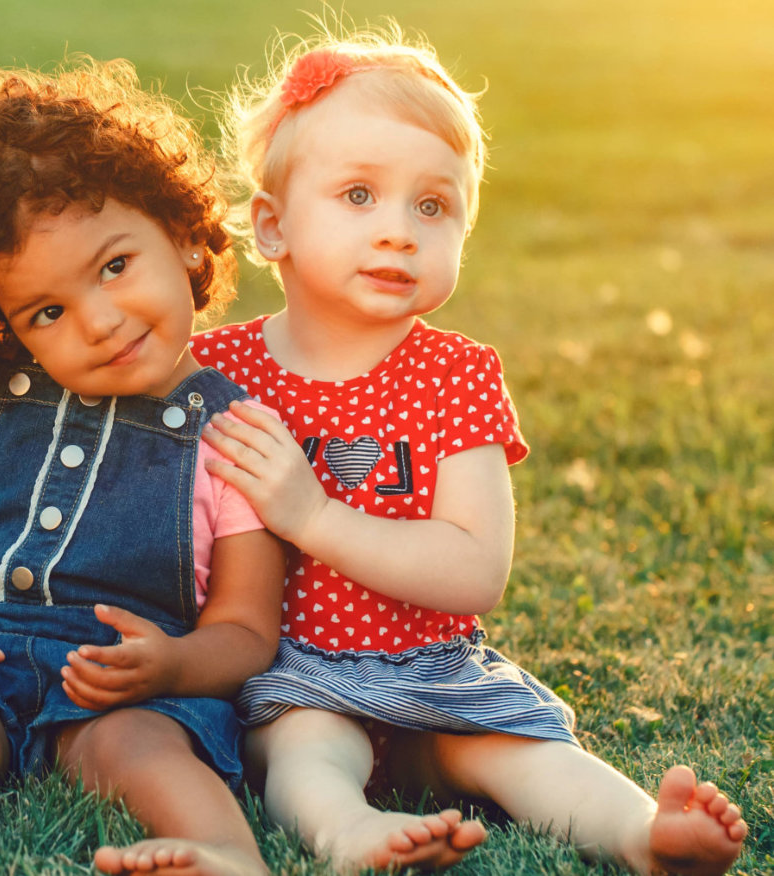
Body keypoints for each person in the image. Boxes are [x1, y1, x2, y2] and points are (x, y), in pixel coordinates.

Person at [192, 20, 749, 875]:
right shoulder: (218, 371)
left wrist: (311, 513)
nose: (398, 231)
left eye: (433, 205)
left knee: (518, 753)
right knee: (306, 753)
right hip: (290, 669)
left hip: (435, 668)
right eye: (358, 196)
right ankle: (353, 835)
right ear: (271, 228)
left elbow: (474, 569)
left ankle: (645, 832)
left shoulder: (456, 375)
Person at [0, 60, 293, 876]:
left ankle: (223, 852)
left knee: (136, 745)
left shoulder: (234, 435)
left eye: (115, 266)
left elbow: (249, 631)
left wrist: (173, 665)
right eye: (49, 312)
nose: (101, 321)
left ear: (183, 234)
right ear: (9, 333)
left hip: (129, 683)